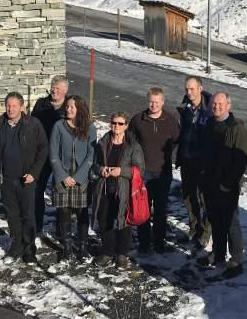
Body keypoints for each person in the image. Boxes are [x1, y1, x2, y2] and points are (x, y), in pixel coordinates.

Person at [0, 92, 49, 264]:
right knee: (12, 215)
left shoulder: (32, 124)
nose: (10, 109)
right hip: (6, 178)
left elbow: (43, 148)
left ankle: (29, 248)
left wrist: (34, 172)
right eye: (8, 105)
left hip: (27, 179)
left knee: (28, 215)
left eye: (14, 106)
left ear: (22, 107)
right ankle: (16, 246)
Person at [198, 92, 247, 279]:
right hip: (210, 183)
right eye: (214, 104)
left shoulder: (236, 128)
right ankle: (218, 254)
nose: (216, 107)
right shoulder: (210, 124)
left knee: (230, 222)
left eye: (220, 104)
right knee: (216, 220)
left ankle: (236, 259)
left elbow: (242, 160)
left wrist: (228, 183)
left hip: (227, 185)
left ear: (229, 105)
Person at [128, 87, 179, 254]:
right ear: (147, 100)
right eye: (151, 101)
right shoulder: (138, 120)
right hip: (143, 173)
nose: (154, 105)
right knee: (143, 210)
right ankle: (144, 242)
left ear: (163, 102)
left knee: (161, 209)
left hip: (163, 173)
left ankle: (159, 241)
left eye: (157, 102)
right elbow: (130, 142)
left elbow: (177, 139)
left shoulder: (170, 120)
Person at [91, 112, 145, 269]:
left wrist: (121, 171)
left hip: (124, 189)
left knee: (124, 221)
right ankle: (107, 252)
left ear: (126, 126)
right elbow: (94, 164)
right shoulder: (103, 143)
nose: (116, 126)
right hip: (105, 188)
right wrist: (100, 169)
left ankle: (122, 254)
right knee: (104, 220)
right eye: (114, 123)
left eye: (120, 123)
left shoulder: (133, 146)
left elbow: (140, 170)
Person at [50, 95, 96, 261]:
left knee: (82, 212)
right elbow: (53, 152)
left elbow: (91, 155)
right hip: (62, 176)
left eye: (72, 107)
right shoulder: (58, 126)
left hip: (81, 178)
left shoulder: (90, 128)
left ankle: (83, 246)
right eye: (67, 106)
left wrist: (78, 177)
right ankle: (67, 247)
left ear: (80, 110)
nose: (68, 109)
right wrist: (62, 175)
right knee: (63, 212)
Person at [177, 76, 213, 245]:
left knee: (204, 197)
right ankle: (194, 226)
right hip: (186, 159)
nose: (189, 92)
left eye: (192, 89)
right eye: (186, 89)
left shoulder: (210, 108)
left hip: (203, 161)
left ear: (200, 88)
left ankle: (206, 231)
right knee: (188, 195)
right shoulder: (185, 108)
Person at [31, 75, 69, 234]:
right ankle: (36, 225)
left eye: (58, 88)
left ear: (65, 91)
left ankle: (61, 229)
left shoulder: (71, 106)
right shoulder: (41, 104)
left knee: (62, 192)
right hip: (43, 154)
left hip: (62, 156)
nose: (54, 90)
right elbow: (31, 126)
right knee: (37, 190)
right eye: (53, 87)